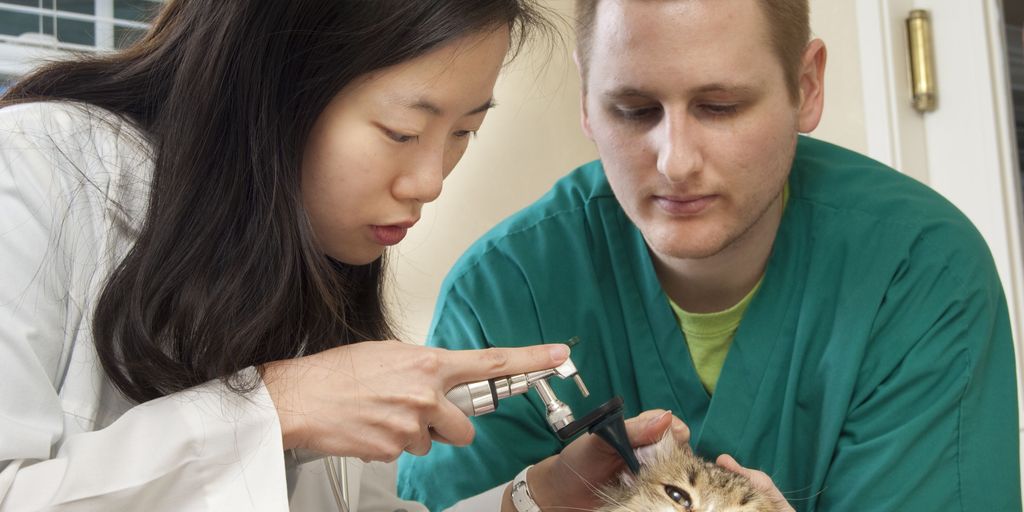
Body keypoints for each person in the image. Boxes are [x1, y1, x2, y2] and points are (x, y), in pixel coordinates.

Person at [0, 1, 693, 510]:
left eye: (464, 134)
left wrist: (534, 500)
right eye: (400, 132)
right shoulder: (35, 166)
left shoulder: (304, 259)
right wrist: (276, 406)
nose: (430, 182)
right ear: (272, 86)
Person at [398, 0, 1022, 510]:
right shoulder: (503, 294)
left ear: (805, 87)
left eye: (720, 107)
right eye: (634, 109)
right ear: (587, 100)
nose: (675, 161)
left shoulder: (920, 273)